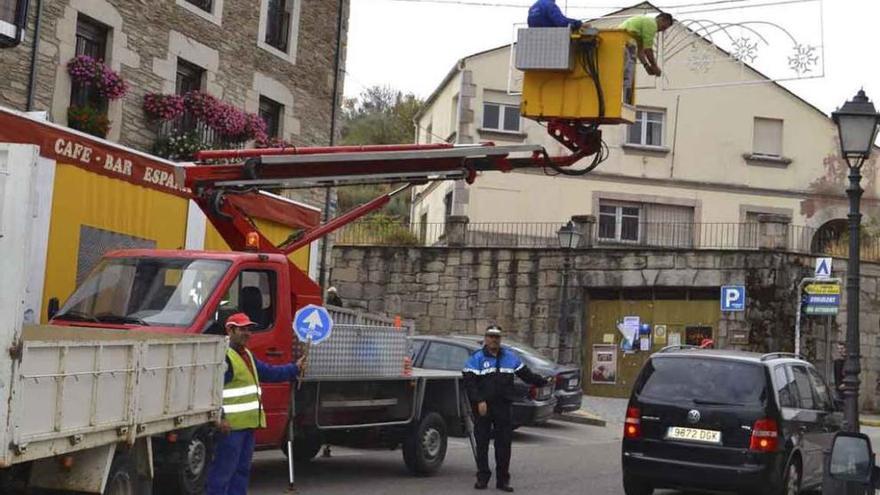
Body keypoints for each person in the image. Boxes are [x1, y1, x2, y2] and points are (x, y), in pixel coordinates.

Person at [206, 313, 305, 495]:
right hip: (231, 429)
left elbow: (268, 372)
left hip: (247, 426)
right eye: (242, 329)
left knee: (241, 472)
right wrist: (220, 418)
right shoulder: (225, 357)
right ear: (230, 330)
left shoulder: (246, 355)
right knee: (223, 473)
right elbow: (212, 391)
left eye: (249, 329)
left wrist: (294, 369)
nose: (247, 333)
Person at [462, 325, 552, 492]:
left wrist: (543, 381)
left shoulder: (510, 357)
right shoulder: (477, 358)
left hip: (503, 407)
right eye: (490, 336)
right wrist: (479, 401)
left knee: (503, 445)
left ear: (500, 339)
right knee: (482, 444)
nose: (493, 339)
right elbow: (469, 382)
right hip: (483, 407)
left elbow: (526, 375)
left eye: (496, 337)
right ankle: (482, 477)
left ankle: (503, 480)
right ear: (486, 338)